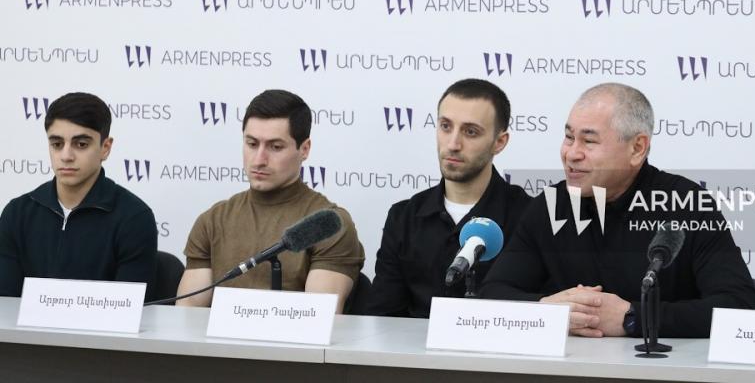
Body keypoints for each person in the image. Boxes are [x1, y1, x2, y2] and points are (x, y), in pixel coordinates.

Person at [481, 83, 755, 337]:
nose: (572, 154)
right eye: (569, 137)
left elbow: (738, 305)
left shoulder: (686, 204)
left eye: (589, 141)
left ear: (637, 148)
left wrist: (634, 317)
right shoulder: (551, 205)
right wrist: (546, 310)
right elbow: (491, 293)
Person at [176, 89, 363, 312]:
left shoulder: (328, 225)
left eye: (275, 147)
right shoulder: (213, 220)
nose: (259, 160)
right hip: (219, 337)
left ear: (304, 149)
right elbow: (187, 313)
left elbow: (318, 318)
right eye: (252, 144)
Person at [366, 79, 530, 317]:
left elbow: (538, 314)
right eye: (445, 126)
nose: (453, 144)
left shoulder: (529, 218)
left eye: (470, 132)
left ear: (499, 142)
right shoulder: (404, 217)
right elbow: (381, 316)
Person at [0, 92, 158, 298]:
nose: (66, 156)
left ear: (105, 148)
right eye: (57, 144)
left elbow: (130, 309)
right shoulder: (17, 213)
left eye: (81, 144)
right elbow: (5, 304)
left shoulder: (135, 218)